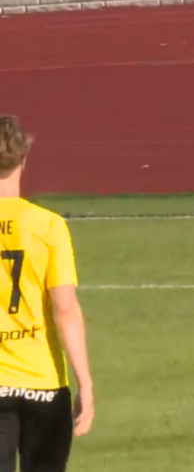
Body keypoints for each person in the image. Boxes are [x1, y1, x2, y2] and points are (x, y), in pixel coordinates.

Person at [0, 116, 94, 472]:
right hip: (44, 386)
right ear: (23, 160)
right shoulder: (48, 226)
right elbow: (65, 308)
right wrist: (85, 384)